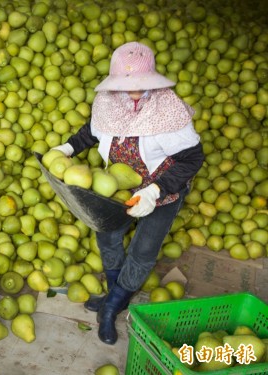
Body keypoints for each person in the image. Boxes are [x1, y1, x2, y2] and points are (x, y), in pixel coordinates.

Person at [52, 42, 205, 345]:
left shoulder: (168, 110)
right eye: (127, 85)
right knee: (107, 235)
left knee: (143, 250)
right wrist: (67, 148)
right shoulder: (107, 102)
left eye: (141, 85)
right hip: (119, 185)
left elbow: (193, 158)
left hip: (163, 190)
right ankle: (115, 296)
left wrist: (155, 190)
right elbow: (92, 130)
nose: (134, 92)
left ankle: (112, 307)